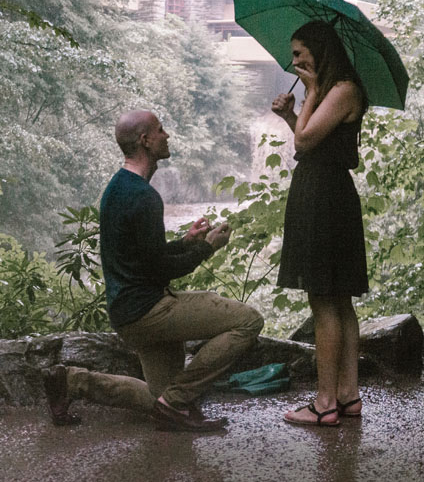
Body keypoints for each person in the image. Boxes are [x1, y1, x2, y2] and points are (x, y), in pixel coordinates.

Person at [43, 110, 264, 432]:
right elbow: (161, 270)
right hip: (150, 311)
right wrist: (208, 247)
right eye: (160, 130)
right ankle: (175, 402)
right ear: (145, 140)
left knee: (157, 399)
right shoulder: (143, 197)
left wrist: (187, 240)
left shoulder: (119, 187)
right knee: (248, 320)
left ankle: (73, 381)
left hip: (127, 311)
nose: (167, 135)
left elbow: (146, 255)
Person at [271, 20, 369, 427]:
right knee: (337, 299)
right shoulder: (331, 91)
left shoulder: (343, 89)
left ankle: (326, 401)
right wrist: (292, 115)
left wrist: (309, 94)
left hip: (325, 198)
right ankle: (348, 394)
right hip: (323, 190)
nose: (294, 61)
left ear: (319, 50)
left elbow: (306, 144)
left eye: (299, 53)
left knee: (325, 299)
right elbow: (310, 138)